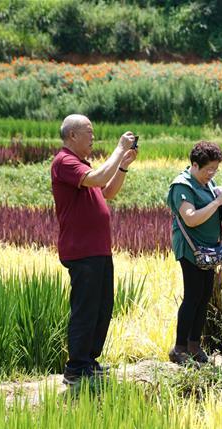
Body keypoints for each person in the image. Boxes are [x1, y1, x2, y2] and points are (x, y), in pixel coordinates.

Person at [51, 114, 137, 385]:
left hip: (98, 249)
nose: (93, 137)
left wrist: (122, 166)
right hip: (81, 249)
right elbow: (98, 177)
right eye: (89, 132)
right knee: (85, 309)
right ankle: (76, 368)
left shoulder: (80, 164)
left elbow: (107, 191)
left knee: (102, 307)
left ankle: (89, 360)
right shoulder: (64, 161)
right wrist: (120, 147)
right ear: (72, 136)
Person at [167, 141, 222, 365]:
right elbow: (190, 218)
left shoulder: (209, 185)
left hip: (209, 249)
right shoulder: (182, 186)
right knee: (192, 296)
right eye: (208, 169)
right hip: (191, 248)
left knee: (204, 296)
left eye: (215, 169)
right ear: (194, 165)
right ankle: (179, 348)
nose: (212, 173)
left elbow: (218, 212)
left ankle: (194, 345)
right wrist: (218, 200)